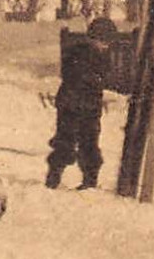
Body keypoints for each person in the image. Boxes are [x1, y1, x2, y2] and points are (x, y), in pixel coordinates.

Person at [46, 17, 116, 191]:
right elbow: (86, 78)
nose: (106, 46)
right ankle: (78, 179)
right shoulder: (89, 55)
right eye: (104, 42)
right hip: (79, 105)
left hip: (78, 106)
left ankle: (66, 177)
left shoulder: (83, 53)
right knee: (79, 142)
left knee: (75, 141)